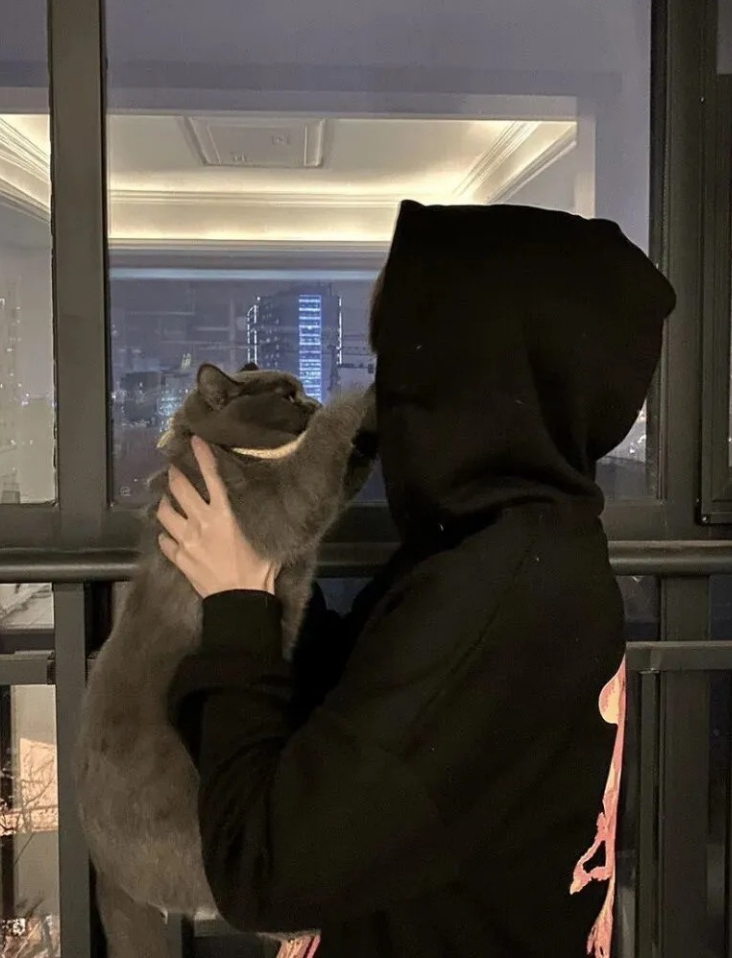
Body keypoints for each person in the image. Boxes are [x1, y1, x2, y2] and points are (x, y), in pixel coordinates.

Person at [157, 200, 676, 957]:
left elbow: (263, 871)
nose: (382, 398)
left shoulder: (495, 597)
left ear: (467, 375)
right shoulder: (532, 543)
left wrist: (237, 608)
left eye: (399, 362)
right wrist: (262, 579)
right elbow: (370, 707)